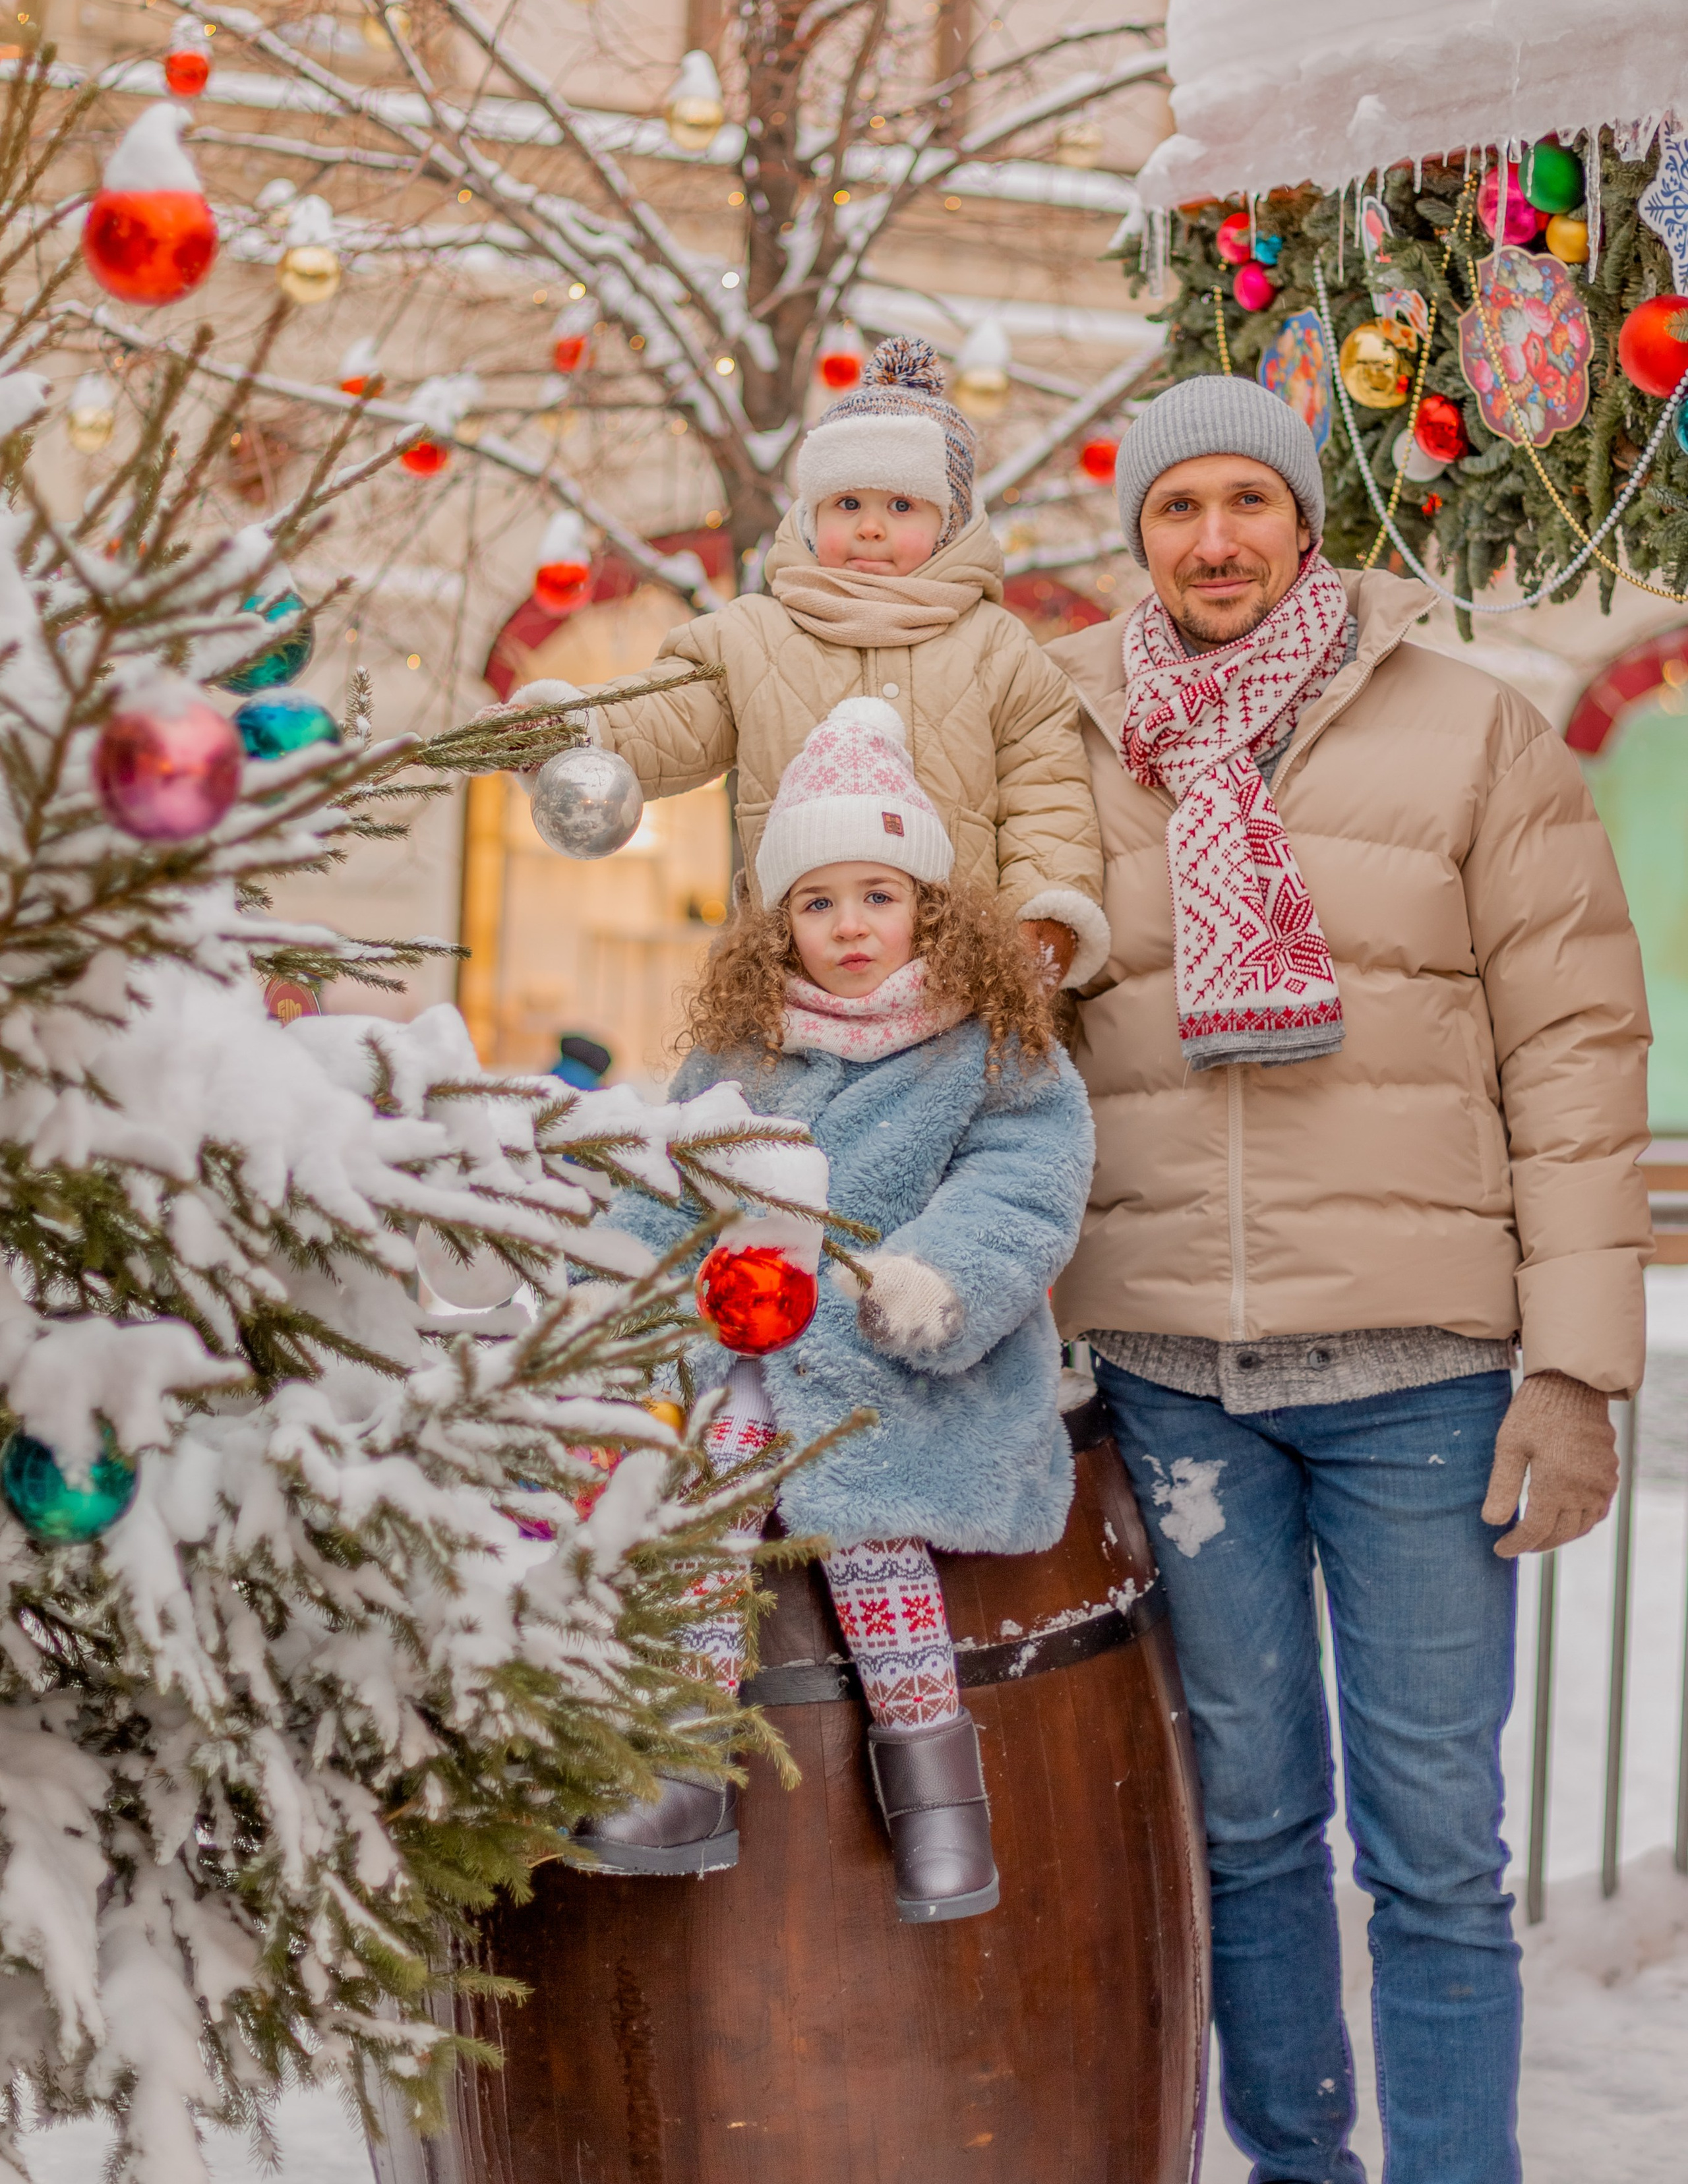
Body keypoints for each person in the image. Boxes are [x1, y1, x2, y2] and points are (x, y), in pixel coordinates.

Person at [1044, 375, 1650, 2184]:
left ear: (1307, 521)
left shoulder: (1471, 734)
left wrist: (1575, 1370)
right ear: (1138, 532)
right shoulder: (1064, 737)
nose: (1213, 538)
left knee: (1435, 1845)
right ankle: (1296, 2166)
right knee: (1242, 1826)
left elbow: (1578, 1056)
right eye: (1177, 508)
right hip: (1169, 1370)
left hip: (1424, 1380)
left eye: (1248, 499)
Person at [578, 697, 1094, 1922]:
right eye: (817, 903)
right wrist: (607, 1280)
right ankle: (688, 1771)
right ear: (779, 926)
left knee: (870, 1532)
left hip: (901, 1363)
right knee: (701, 1504)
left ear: (927, 903)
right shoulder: (744, 1055)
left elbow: (1022, 1188)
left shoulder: (994, 1046)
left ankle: (940, 1806)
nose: (849, 927)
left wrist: (937, 1277)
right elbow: (682, 1181)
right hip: (749, 1352)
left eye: (876, 894)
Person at [553, 336, 1108, 994]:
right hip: (798, 987)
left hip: (959, 991)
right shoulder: (754, 637)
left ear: (949, 522)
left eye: (900, 506)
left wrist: (1041, 918)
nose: (870, 527)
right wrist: (574, 729)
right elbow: (671, 713)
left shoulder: (999, 649)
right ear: (813, 517)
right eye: (848, 504)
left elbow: (1046, 795)